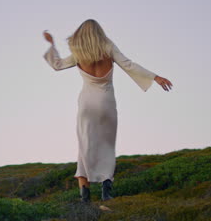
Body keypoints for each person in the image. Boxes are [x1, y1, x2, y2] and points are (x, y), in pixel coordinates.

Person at [42, 19, 173, 203]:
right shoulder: (108, 47)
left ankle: (85, 197)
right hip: (106, 102)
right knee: (107, 146)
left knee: (84, 147)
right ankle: (106, 192)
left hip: (86, 104)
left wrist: (52, 44)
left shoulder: (78, 53)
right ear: (99, 32)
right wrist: (155, 77)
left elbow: (57, 65)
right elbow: (128, 65)